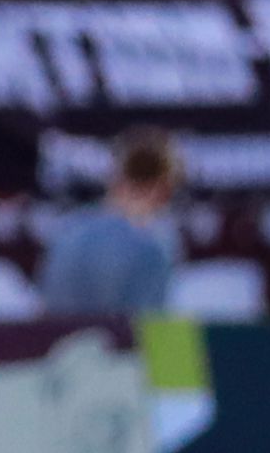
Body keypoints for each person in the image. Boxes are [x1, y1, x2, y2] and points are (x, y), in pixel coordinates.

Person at [38, 125, 183, 317]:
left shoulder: (68, 230)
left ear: (114, 177)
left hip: (62, 343)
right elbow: (149, 329)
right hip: (118, 344)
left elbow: (46, 310)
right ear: (166, 189)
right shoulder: (155, 247)